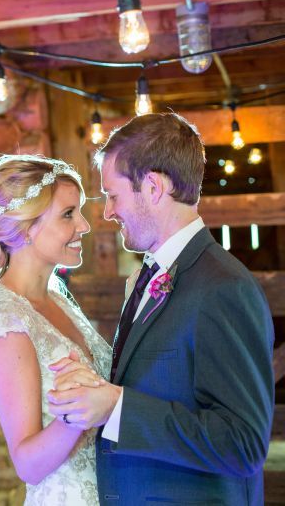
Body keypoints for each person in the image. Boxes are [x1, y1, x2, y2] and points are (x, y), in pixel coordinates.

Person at [46, 113, 275, 505]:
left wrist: (118, 408)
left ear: (153, 187)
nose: (107, 213)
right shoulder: (152, 275)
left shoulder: (223, 287)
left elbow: (242, 443)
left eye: (113, 196)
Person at [0, 154, 109, 505]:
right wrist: (74, 416)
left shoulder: (56, 297)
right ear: (25, 227)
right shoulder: (4, 321)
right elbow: (27, 463)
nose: (84, 226)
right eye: (68, 214)